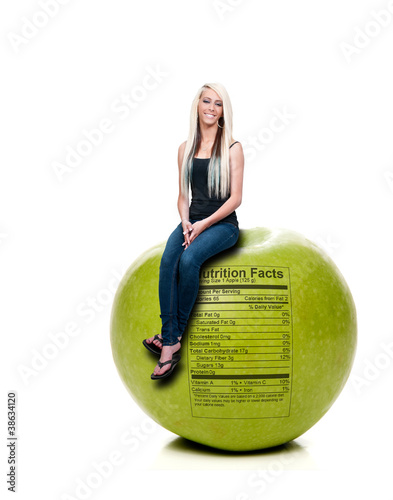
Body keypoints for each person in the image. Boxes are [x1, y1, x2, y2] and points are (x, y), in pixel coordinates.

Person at [143, 82, 244, 379]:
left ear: (224, 112)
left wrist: (203, 224)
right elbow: (183, 196)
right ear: (197, 106)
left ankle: (170, 343)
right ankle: (170, 338)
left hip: (222, 225)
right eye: (207, 102)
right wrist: (186, 222)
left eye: (218, 104)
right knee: (167, 263)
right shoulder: (184, 149)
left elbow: (235, 198)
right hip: (192, 220)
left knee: (188, 262)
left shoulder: (233, 149)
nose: (212, 108)